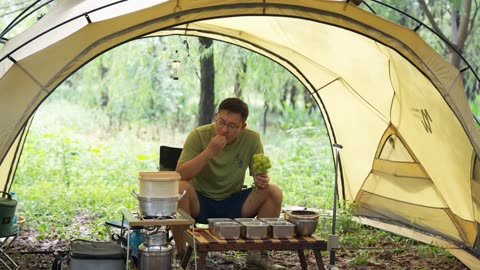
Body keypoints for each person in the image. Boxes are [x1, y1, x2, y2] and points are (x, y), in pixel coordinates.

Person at [171, 97, 285, 270]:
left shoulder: (252, 139)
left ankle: (256, 254)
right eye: (221, 122)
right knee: (179, 188)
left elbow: (259, 176)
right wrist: (209, 152)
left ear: (243, 127)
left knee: (273, 192)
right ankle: (185, 254)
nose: (224, 129)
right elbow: (180, 174)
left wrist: (261, 178)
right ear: (216, 116)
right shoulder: (199, 135)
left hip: (233, 202)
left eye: (232, 126)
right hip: (200, 202)